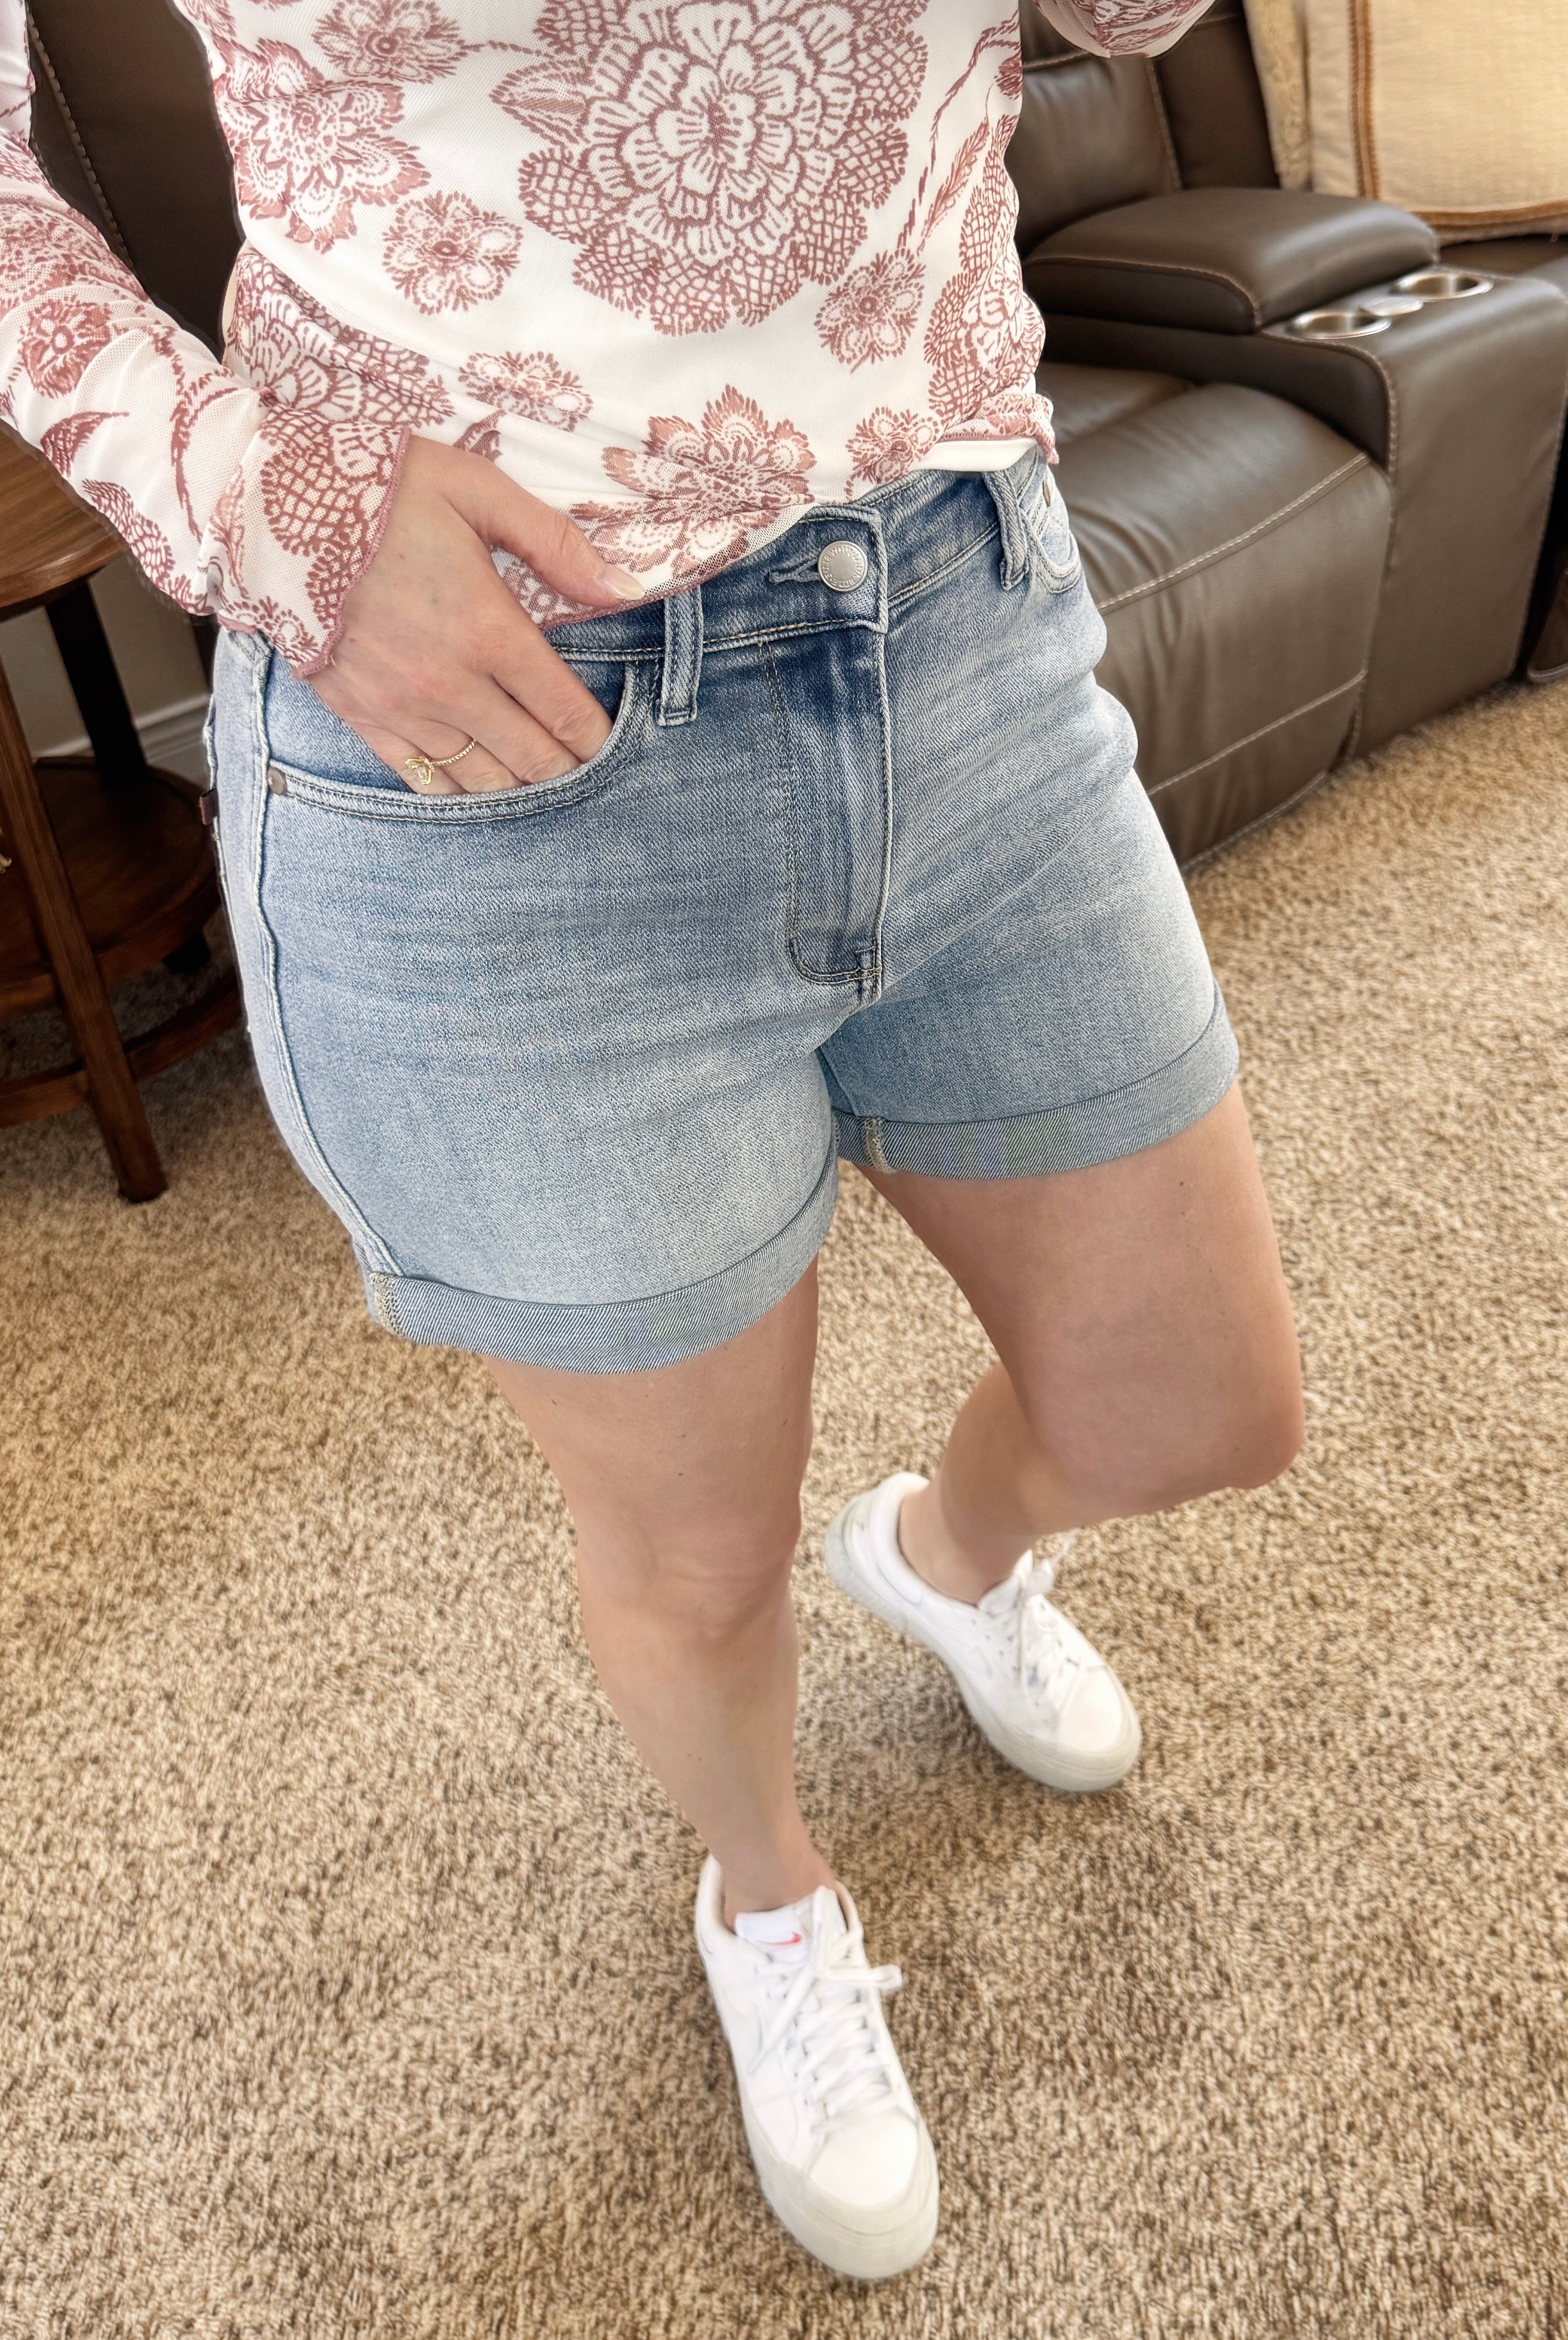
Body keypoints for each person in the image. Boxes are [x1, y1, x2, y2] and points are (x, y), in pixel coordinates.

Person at [0, 0, 1303, 2280]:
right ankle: (768, 1893)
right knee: (696, 1554)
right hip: (499, 748)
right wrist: (254, 499)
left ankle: (953, 1554)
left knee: (1197, 1403)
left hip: (957, 612)